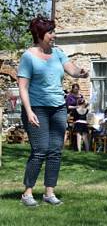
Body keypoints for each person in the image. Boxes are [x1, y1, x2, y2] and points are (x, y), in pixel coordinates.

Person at [17, 16, 89, 207]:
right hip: (37, 108)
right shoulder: (28, 56)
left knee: (55, 151)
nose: (54, 35)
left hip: (58, 107)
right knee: (40, 150)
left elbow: (71, 70)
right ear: (40, 35)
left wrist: (80, 72)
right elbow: (23, 87)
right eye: (50, 32)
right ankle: (27, 193)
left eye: (53, 31)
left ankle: (49, 192)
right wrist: (29, 111)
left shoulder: (57, 53)